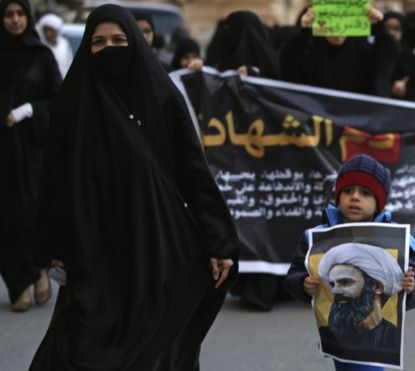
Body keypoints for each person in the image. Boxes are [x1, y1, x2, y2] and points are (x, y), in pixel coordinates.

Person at [29, 5, 238, 370]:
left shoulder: (160, 96)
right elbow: (53, 178)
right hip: (92, 246)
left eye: (119, 40)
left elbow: (192, 170)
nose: (109, 48)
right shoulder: (74, 102)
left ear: (135, 43)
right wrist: (51, 244)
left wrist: (216, 239)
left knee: (156, 345)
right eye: (98, 41)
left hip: (155, 243)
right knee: (81, 344)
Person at [284, 154, 415, 371]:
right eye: (348, 191)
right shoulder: (317, 237)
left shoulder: (397, 241)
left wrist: (410, 287)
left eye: (365, 193)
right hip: (338, 343)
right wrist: (303, 284)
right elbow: (292, 276)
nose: (355, 198)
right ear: (337, 197)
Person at [1, 0, 61, 312]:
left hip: (35, 151)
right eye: (8, 14)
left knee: (32, 213)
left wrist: (28, 111)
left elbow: (57, 99)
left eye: (20, 13)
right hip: (3, 152)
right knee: (6, 218)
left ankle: (38, 271)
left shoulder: (41, 55)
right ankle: (17, 284)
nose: (14, 20)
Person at [280, 6, 399, 97]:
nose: (337, 29)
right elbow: (287, 63)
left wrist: (378, 26)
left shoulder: (362, 49)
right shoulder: (311, 49)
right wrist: (304, 33)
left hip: (354, 122)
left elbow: (389, 53)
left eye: (343, 21)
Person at [317, 243, 403, 352]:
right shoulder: (328, 336)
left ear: (377, 286)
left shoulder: (392, 337)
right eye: (333, 284)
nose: (334, 291)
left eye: (345, 282)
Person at [205, 10, 281, 80]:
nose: (227, 34)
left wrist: (253, 74)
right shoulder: (220, 58)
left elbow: (274, 84)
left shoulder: (268, 63)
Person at [36, 13, 73, 77]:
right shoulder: (39, 47)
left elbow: (69, 64)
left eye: (51, 30)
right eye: (46, 30)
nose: (48, 34)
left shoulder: (64, 45)